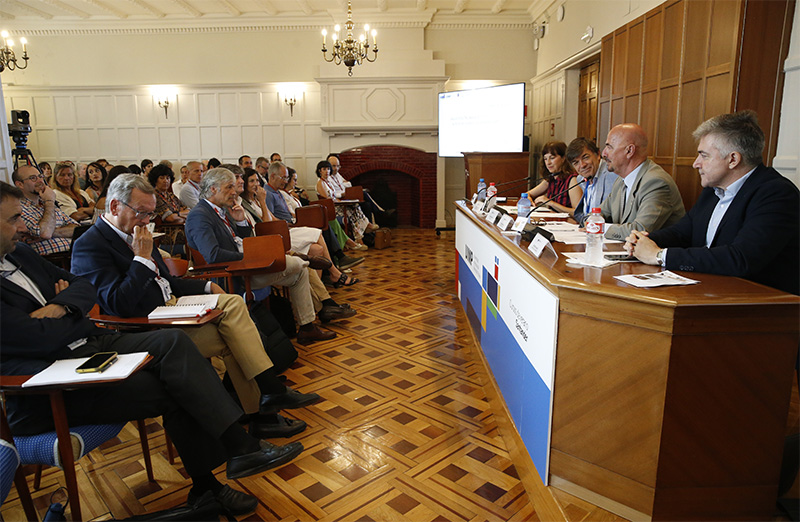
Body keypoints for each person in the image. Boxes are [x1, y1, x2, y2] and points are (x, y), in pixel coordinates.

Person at [0, 181, 304, 517]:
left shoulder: (20, 254)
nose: (24, 227)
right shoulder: (91, 244)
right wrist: (76, 305)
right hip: (46, 382)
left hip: (88, 345)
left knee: (173, 343)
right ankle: (222, 469)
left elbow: (81, 287)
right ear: (115, 207)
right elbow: (40, 336)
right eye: (13, 219)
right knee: (178, 382)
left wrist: (60, 306)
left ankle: (233, 456)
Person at [71, 174, 318, 437]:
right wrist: (141, 259)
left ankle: (265, 404)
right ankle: (264, 407)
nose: (146, 221)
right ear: (114, 206)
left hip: (173, 307)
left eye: (151, 214)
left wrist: (207, 287)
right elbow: (118, 304)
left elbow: (169, 282)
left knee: (234, 304)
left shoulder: (138, 232)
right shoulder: (90, 245)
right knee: (234, 336)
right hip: (147, 326)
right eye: (141, 212)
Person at [625, 110, 800, 296]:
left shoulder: (776, 194)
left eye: (704, 155)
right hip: (712, 290)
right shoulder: (713, 190)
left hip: (760, 302)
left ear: (733, 159)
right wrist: (644, 241)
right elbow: (682, 232)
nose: (696, 163)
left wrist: (659, 255)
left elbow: (741, 258)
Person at [184, 168, 336, 345]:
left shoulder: (220, 210)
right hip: (230, 275)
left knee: (299, 272)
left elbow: (239, 241)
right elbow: (213, 255)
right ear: (213, 189)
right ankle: (304, 259)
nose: (234, 192)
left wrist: (241, 222)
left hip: (244, 268)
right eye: (229, 187)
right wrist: (249, 257)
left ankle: (307, 328)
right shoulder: (199, 215)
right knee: (296, 264)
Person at [255, 164, 359, 288]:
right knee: (318, 232)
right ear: (272, 176)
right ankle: (334, 271)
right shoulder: (268, 194)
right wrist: (291, 224)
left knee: (319, 241)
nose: (286, 181)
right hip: (284, 232)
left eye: (287, 178)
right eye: (284, 178)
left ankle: (321, 285)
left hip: (291, 224)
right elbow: (270, 223)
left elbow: (281, 215)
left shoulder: (277, 192)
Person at [598, 123, 685, 240]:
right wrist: (591, 220)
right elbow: (598, 213)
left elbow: (640, 231)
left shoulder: (656, 182)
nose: (604, 153)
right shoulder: (620, 181)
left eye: (609, 147)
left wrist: (599, 228)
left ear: (629, 151)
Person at [12, 165, 77, 255]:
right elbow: (45, 234)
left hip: (73, 253)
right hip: (52, 258)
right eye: (33, 178)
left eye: (40, 176)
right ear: (20, 184)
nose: (40, 181)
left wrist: (52, 232)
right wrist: (49, 201)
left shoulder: (45, 203)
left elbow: (77, 229)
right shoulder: (19, 208)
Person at [566, 138, 619, 224]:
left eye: (585, 157)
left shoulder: (612, 175)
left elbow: (613, 216)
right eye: (576, 163)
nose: (582, 165)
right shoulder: (581, 179)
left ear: (598, 154)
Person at [526, 141, 583, 214]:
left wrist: (550, 202)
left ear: (563, 158)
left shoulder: (573, 180)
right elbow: (527, 194)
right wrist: (528, 200)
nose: (548, 163)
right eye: (545, 159)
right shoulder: (551, 179)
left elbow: (577, 213)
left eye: (552, 158)